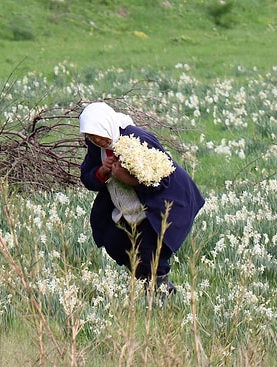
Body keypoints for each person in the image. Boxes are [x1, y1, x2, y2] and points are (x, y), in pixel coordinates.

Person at [79, 102, 205, 296]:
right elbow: (87, 177)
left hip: (165, 204)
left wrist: (127, 178)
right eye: (92, 136)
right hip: (128, 209)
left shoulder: (137, 139)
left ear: (108, 126)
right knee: (114, 242)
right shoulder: (96, 147)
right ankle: (151, 284)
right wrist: (102, 171)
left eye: (99, 134)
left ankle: (160, 294)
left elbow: (162, 182)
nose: (97, 139)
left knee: (150, 253)